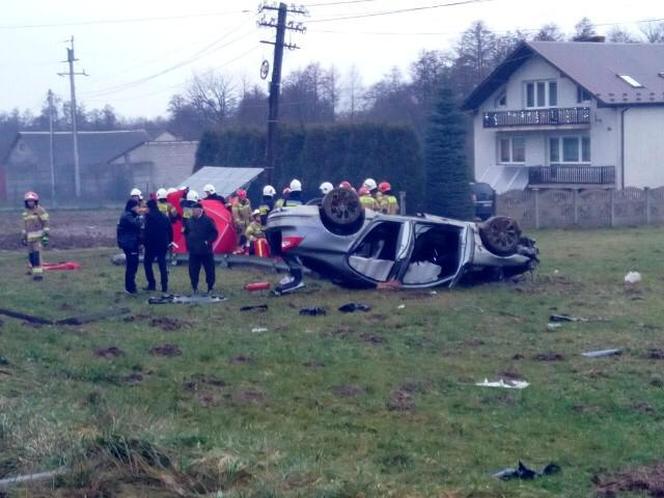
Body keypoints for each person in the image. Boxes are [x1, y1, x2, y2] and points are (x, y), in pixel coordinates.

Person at [184, 201, 219, 295]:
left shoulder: (208, 220)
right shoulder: (189, 221)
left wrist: (208, 241)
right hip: (193, 250)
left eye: (194, 209)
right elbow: (186, 232)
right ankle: (194, 286)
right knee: (193, 269)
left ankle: (210, 287)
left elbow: (214, 233)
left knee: (209, 269)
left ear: (200, 210)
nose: (193, 211)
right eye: (192, 210)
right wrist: (188, 243)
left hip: (205, 250)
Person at [143, 199, 173, 293]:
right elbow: (170, 230)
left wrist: (144, 243)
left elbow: (147, 232)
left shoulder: (148, 217)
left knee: (147, 263)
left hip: (151, 245)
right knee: (162, 264)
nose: (145, 209)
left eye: (146, 207)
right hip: (163, 244)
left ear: (149, 207)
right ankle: (164, 286)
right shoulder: (164, 217)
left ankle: (151, 284)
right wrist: (170, 242)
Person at [21, 191, 49, 280]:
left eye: (32, 201)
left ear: (35, 201)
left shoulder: (40, 210)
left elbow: (46, 223)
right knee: (31, 257)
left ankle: (38, 275)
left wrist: (45, 236)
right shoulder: (25, 213)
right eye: (28, 201)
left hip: (38, 238)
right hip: (29, 239)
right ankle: (34, 272)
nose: (30, 203)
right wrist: (23, 237)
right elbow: (24, 226)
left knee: (37, 256)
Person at [117, 199, 143, 294]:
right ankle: (130, 288)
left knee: (133, 265)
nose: (139, 208)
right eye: (137, 206)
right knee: (132, 265)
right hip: (130, 244)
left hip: (131, 242)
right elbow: (137, 224)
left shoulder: (129, 214)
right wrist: (141, 217)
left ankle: (131, 286)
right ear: (133, 206)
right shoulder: (127, 215)